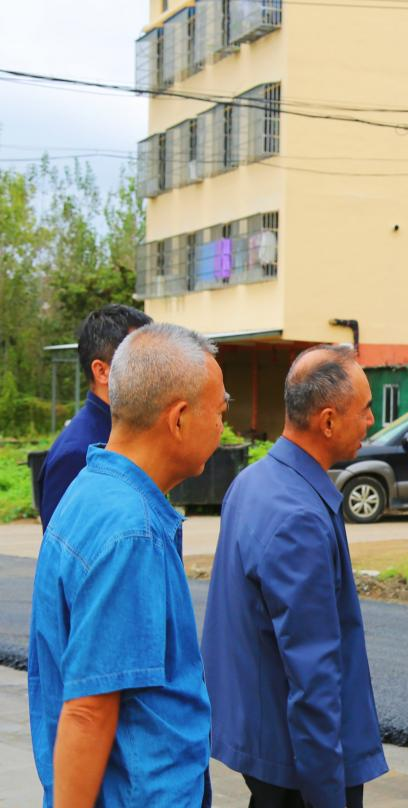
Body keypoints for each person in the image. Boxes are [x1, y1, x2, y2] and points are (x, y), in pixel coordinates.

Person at [27, 323, 227, 807]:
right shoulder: (130, 532)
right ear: (179, 419)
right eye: (220, 411)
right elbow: (89, 712)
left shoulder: (91, 488)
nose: (223, 427)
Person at [202, 344, 388, 808]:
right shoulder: (298, 515)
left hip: (263, 748)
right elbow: (313, 675)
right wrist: (327, 792)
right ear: (328, 421)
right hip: (302, 766)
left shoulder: (254, 482)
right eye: (365, 410)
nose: (371, 421)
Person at [35, 303, 152, 528]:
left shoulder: (134, 433)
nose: (155, 370)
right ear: (102, 371)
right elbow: (66, 546)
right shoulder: (77, 454)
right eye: (141, 359)